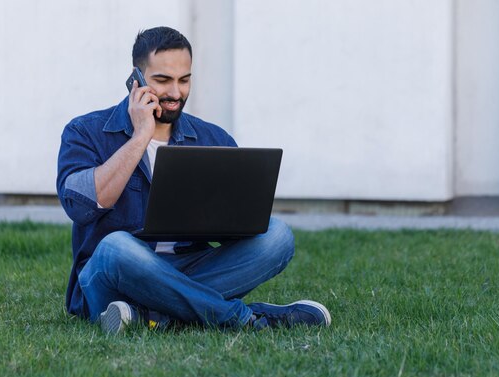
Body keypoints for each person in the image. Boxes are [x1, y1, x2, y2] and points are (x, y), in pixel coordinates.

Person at [56, 26, 331, 334]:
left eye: (184, 80)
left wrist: (234, 216)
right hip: (114, 273)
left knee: (277, 236)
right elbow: (82, 206)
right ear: (137, 79)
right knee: (116, 247)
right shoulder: (85, 132)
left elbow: (238, 231)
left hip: (188, 269)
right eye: (162, 80)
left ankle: (152, 315)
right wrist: (141, 136)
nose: (175, 93)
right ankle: (243, 317)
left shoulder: (212, 139)